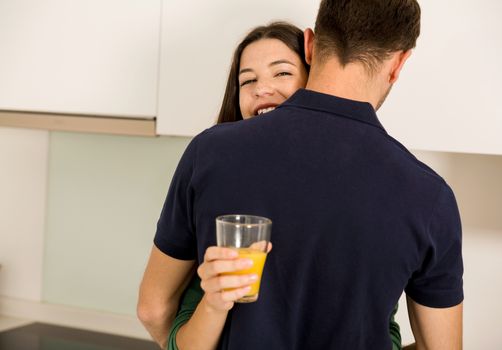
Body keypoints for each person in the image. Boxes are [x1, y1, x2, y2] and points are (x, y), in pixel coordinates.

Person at [139, 1, 464, 349]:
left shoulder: (209, 153)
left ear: (310, 45)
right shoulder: (430, 197)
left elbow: (153, 310)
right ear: (399, 63)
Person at [163, 22, 403, 350]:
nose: (262, 89)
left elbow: (383, 324)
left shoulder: (373, 191)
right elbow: (177, 331)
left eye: (282, 73)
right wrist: (215, 303)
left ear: (314, 78)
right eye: (248, 80)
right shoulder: (219, 188)